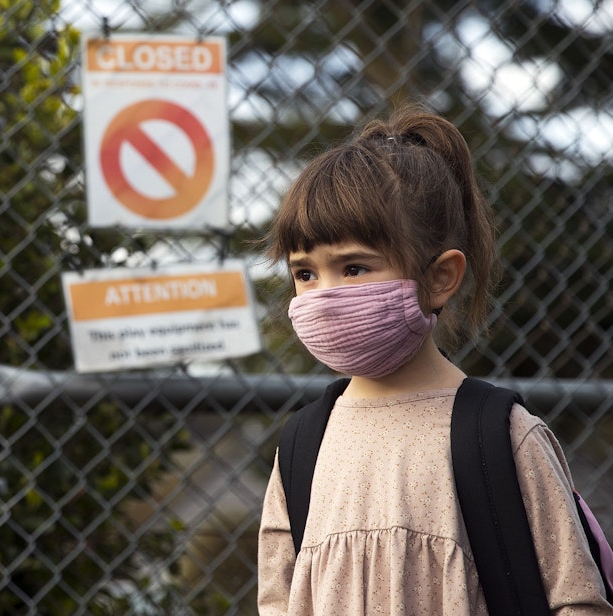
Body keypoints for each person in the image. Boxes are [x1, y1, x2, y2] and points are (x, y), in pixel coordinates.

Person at [257, 105, 613, 615]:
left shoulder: (502, 436)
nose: (324, 296)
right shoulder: (301, 446)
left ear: (440, 278)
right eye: (305, 273)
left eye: (354, 268)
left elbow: (578, 601)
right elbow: (278, 602)